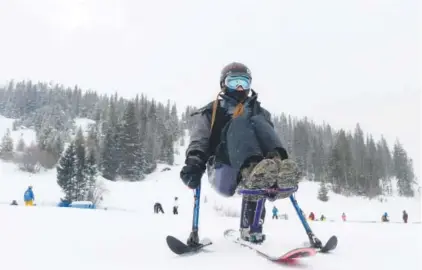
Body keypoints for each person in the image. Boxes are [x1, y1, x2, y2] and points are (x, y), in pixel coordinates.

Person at [180, 62, 301, 244]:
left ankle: (278, 168)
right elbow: (200, 138)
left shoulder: (260, 112)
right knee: (239, 122)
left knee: (259, 121)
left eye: (243, 83)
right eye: (233, 82)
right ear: (223, 84)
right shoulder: (212, 110)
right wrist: (194, 161)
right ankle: (253, 169)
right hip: (223, 169)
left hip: (261, 170)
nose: (239, 88)